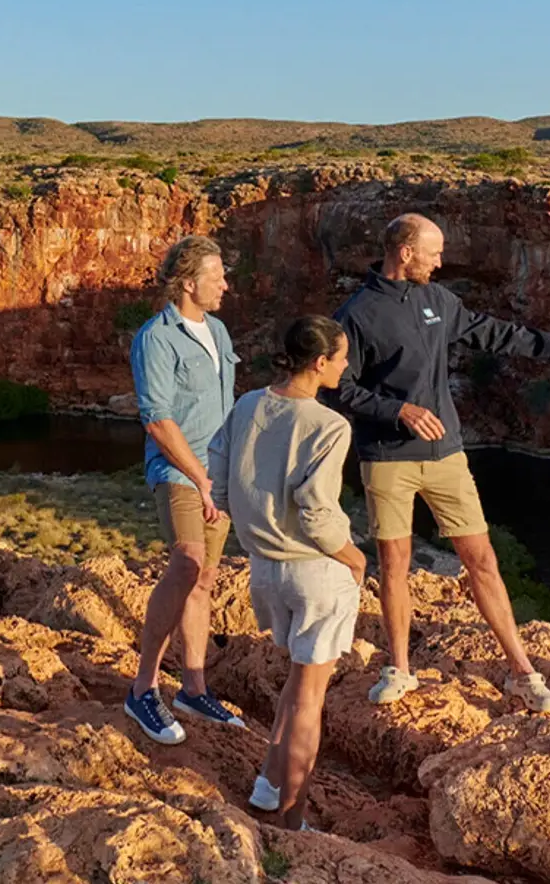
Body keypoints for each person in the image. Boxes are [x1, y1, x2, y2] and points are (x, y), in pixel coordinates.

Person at [333, 213, 550, 711]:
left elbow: (495, 333)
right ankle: (398, 669)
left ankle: (523, 674)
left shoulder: (436, 300)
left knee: (482, 559)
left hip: (446, 456)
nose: (440, 262)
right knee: (394, 565)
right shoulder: (356, 314)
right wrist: (399, 410)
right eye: (433, 252)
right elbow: (341, 386)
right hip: (387, 457)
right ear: (404, 252)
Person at [209, 315, 364, 830]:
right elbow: (317, 510)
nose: (345, 367)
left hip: (264, 570)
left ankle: (266, 788)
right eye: (341, 359)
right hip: (316, 572)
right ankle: (292, 821)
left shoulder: (248, 404)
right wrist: (352, 556)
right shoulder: (329, 425)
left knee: (297, 687)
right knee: (309, 699)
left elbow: (222, 478)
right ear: (320, 363)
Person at [124, 235, 244, 744]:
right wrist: (199, 477)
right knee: (187, 562)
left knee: (206, 578)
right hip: (181, 472)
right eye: (217, 275)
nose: (225, 283)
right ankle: (142, 690)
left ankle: (193, 690)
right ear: (189, 282)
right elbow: (157, 420)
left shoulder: (216, 329)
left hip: (219, 472)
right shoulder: (157, 337)